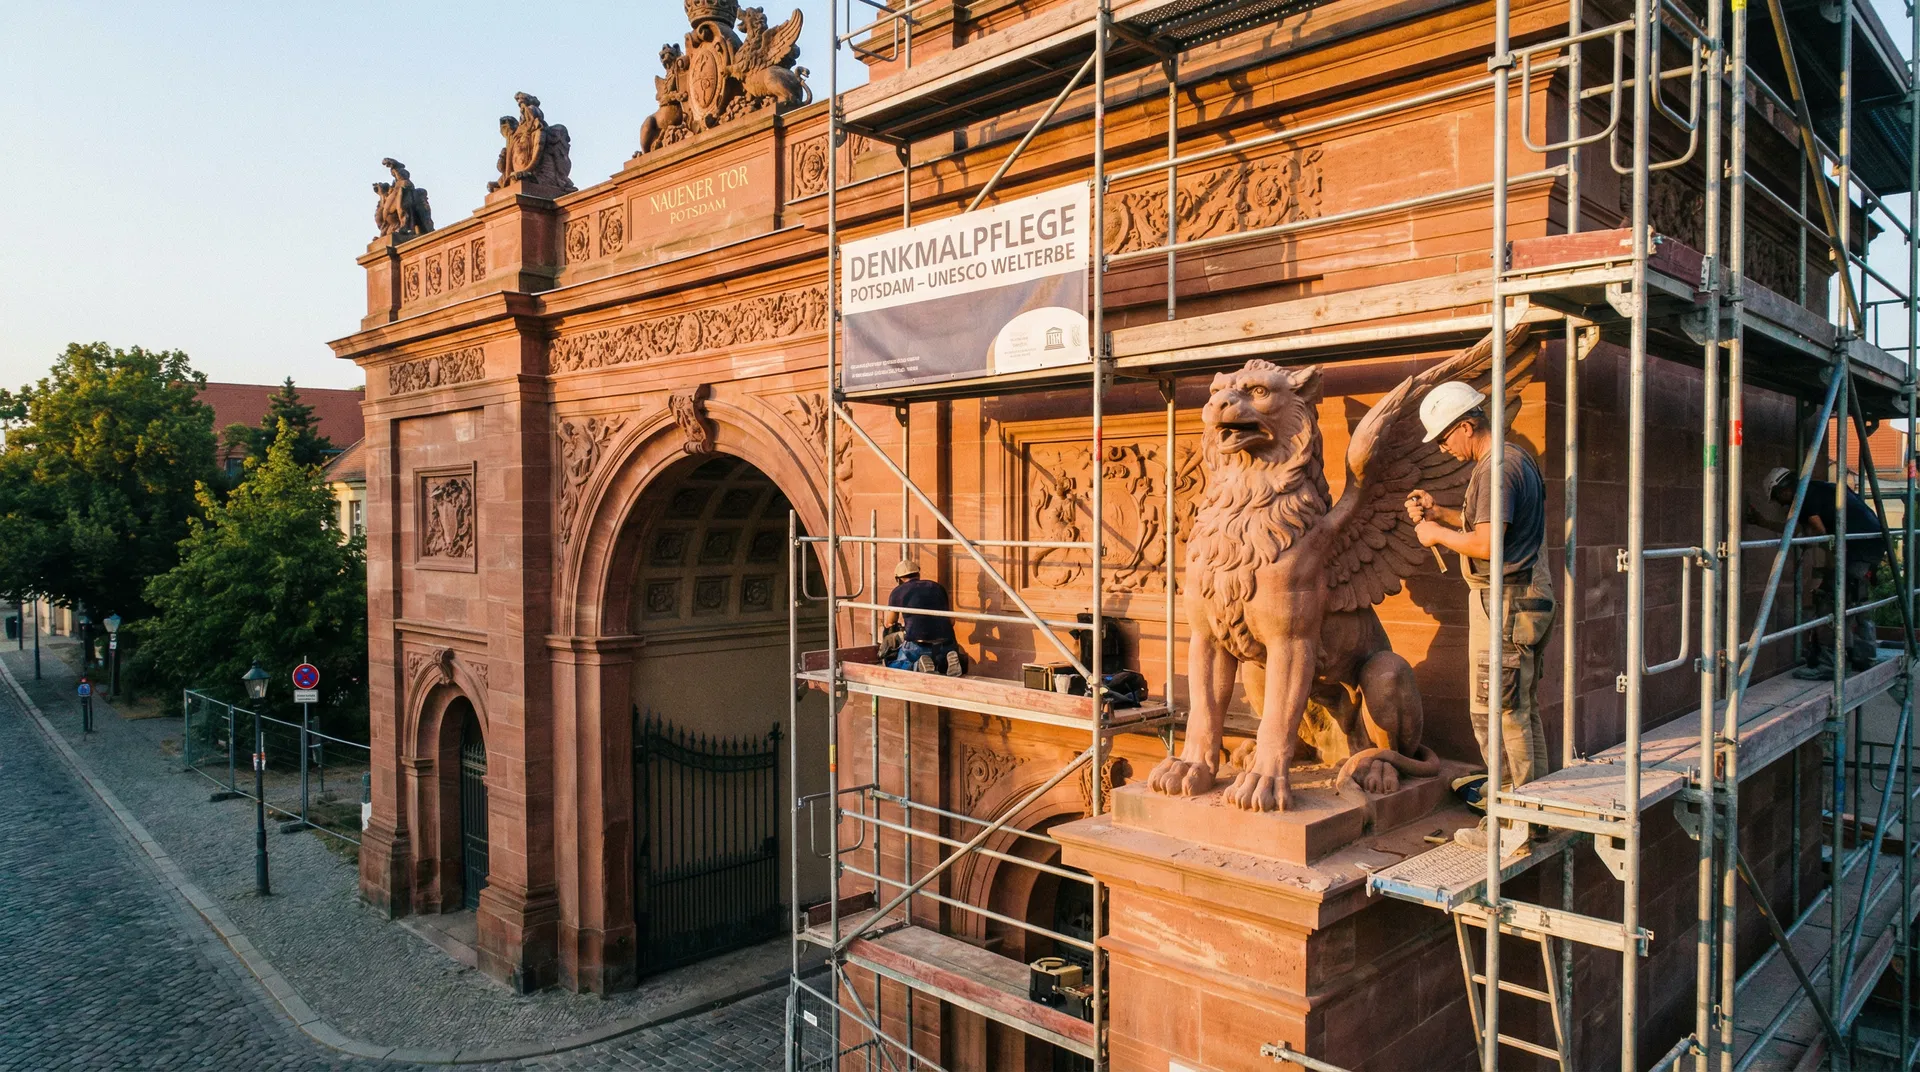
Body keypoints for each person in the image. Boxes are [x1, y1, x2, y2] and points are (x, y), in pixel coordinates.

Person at [1405, 381, 1557, 856]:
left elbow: (1488, 545)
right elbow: (1490, 527)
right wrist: (1442, 513)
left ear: (1467, 426)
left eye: (1445, 438)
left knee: (1498, 712)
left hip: (1506, 601)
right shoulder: (1511, 460)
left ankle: (1512, 825)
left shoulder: (1498, 469)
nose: (1444, 449)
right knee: (1520, 709)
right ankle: (1532, 815)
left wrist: (1434, 534)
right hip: (1519, 597)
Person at [1759, 465, 1887, 675]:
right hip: (1872, 544)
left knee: (1828, 601)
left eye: (1779, 499)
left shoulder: (1804, 498)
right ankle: (1864, 657)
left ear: (1783, 490)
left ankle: (1828, 665)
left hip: (1856, 549)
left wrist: (1829, 564)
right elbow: (1801, 530)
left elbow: (1821, 533)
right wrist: (1762, 522)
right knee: (1857, 600)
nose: (1782, 506)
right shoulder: (1820, 489)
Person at [885, 561, 964, 677]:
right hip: (947, 643)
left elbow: (889, 623)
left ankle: (916, 666)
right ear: (918, 574)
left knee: (892, 665)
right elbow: (952, 621)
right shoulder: (938, 587)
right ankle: (946, 662)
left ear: (898, 579)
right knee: (938, 661)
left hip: (918, 646)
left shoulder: (898, 592)